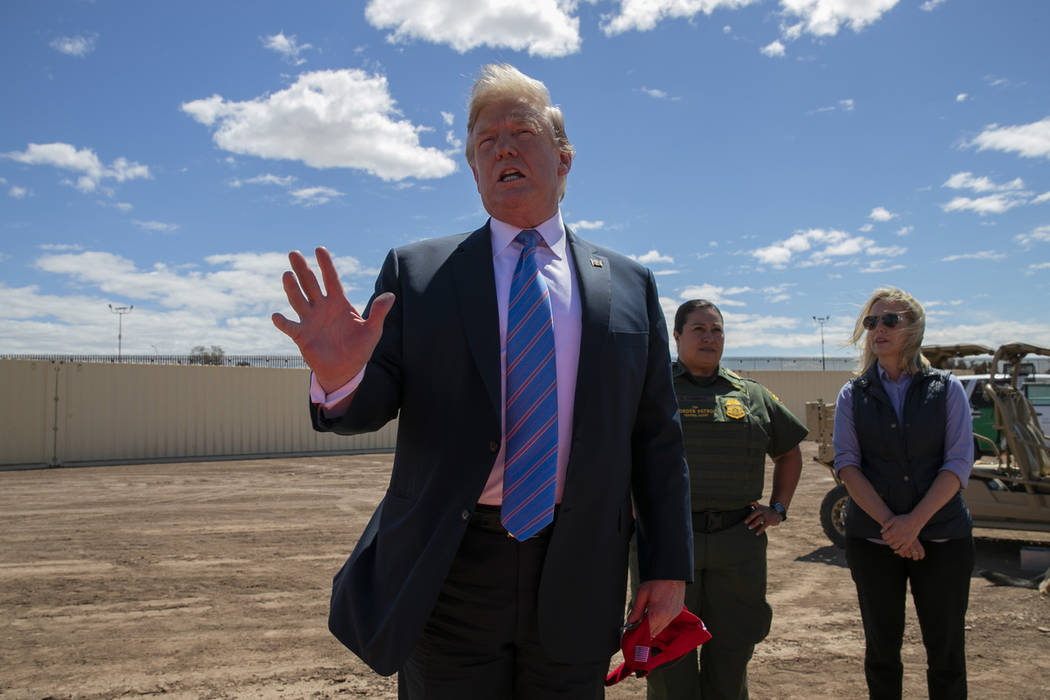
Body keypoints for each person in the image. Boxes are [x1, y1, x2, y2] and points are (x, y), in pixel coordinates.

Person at [272, 63, 693, 699]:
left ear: (563, 158)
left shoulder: (630, 286)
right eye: (484, 143)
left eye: (520, 132)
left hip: (578, 567)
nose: (502, 149)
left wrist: (666, 567)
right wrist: (341, 375)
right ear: (473, 169)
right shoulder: (417, 274)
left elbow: (657, 440)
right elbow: (368, 404)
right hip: (448, 570)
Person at [634, 299, 807, 700]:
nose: (709, 337)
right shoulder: (650, 390)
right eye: (698, 329)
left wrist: (778, 508)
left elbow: (790, 451)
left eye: (717, 330)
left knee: (731, 653)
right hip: (667, 544)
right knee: (666, 655)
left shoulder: (753, 395)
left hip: (737, 542)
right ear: (676, 336)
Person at [832, 287, 974, 700]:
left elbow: (958, 463)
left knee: (946, 653)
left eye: (889, 320)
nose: (878, 328)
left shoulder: (946, 389)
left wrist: (913, 525)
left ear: (913, 329)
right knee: (881, 652)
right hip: (873, 543)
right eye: (871, 321)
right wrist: (892, 528)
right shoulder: (852, 394)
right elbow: (847, 466)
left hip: (943, 540)